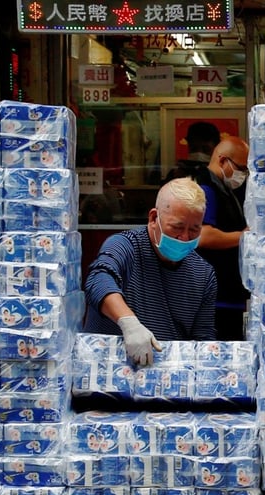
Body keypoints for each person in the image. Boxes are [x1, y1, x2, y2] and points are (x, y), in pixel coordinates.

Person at [83, 177, 217, 369]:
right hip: (108, 376)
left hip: (166, 382)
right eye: (177, 227)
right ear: (154, 218)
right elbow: (98, 280)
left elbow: (203, 339)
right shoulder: (125, 246)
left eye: (194, 229)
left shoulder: (203, 274)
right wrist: (129, 323)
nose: (184, 237)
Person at [193, 136, 251, 340]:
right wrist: (245, 236)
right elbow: (204, 235)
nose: (243, 174)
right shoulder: (206, 188)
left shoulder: (225, 189)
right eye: (241, 168)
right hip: (217, 297)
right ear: (222, 160)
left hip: (230, 293)